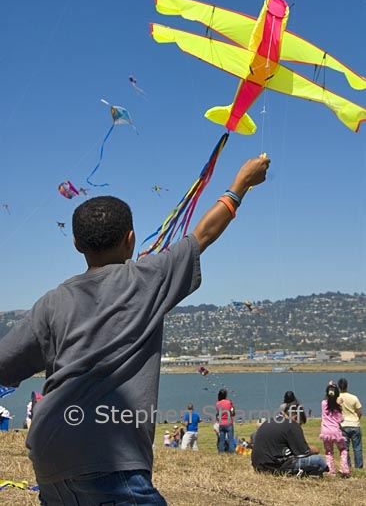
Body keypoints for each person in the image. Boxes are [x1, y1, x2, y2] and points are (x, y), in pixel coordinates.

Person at [0, 154, 270, 505]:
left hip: (50, 455)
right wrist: (241, 184)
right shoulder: (147, 278)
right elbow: (203, 233)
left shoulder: (52, 302)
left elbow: (5, 363)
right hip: (111, 459)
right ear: (131, 239)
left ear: (77, 245)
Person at [252, 403, 329, 477]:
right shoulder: (292, 425)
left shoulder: (269, 421)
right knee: (319, 460)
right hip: (275, 467)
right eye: (300, 424)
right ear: (295, 418)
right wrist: (314, 450)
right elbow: (303, 453)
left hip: (258, 466)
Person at [319, 382, 349, 477]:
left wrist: (330, 386)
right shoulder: (338, 407)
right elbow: (341, 419)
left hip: (325, 432)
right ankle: (344, 468)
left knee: (329, 452)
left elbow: (328, 399)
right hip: (336, 432)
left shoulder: (323, 404)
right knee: (343, 449)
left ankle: (331, 471)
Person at [338, 377, 363, 469]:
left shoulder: (338, 398)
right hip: (355, 424)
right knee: (357, 448)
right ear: (347, 386)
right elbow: (359, 411)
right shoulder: (354, 397)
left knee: (345, 448)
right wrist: (357, 418)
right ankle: (359, 467)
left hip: (343, 425)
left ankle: (347, 466)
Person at [216, 388, 235, 453]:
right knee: (230, 440)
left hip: (221, 424)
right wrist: (232, 407)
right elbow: (233, 413)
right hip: (229, 423)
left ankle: (221, 453)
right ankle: (232, 453)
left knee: (222, 440)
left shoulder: (217, 404)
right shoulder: (229, 402)